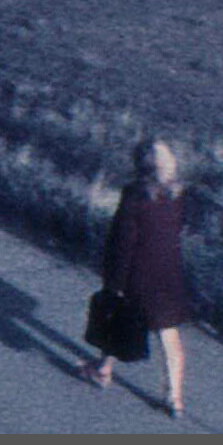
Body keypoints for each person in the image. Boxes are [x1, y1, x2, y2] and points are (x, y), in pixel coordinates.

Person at [82, 139, 197, 414]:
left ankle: (103, 369)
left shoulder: (134, 196)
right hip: (168, 272)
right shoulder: (179, 194)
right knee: (169, 336)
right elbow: (180, 227)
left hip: (137, 273)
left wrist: (115, 282)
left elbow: (123, 241)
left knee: (118, 318)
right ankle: (174, 397)